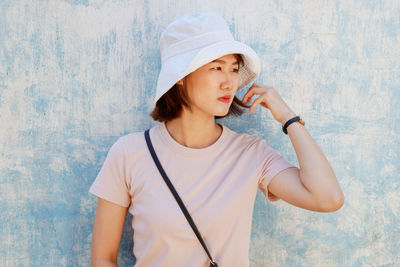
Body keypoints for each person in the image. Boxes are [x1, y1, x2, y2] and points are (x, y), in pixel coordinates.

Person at [89, 12, 344, 267]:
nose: (229, 83)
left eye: (234, 69)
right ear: (180, 76)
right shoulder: (129, 153)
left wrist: (288, 117)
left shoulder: (249, 153)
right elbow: (103, 258)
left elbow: (327, 198)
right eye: (216, 68)